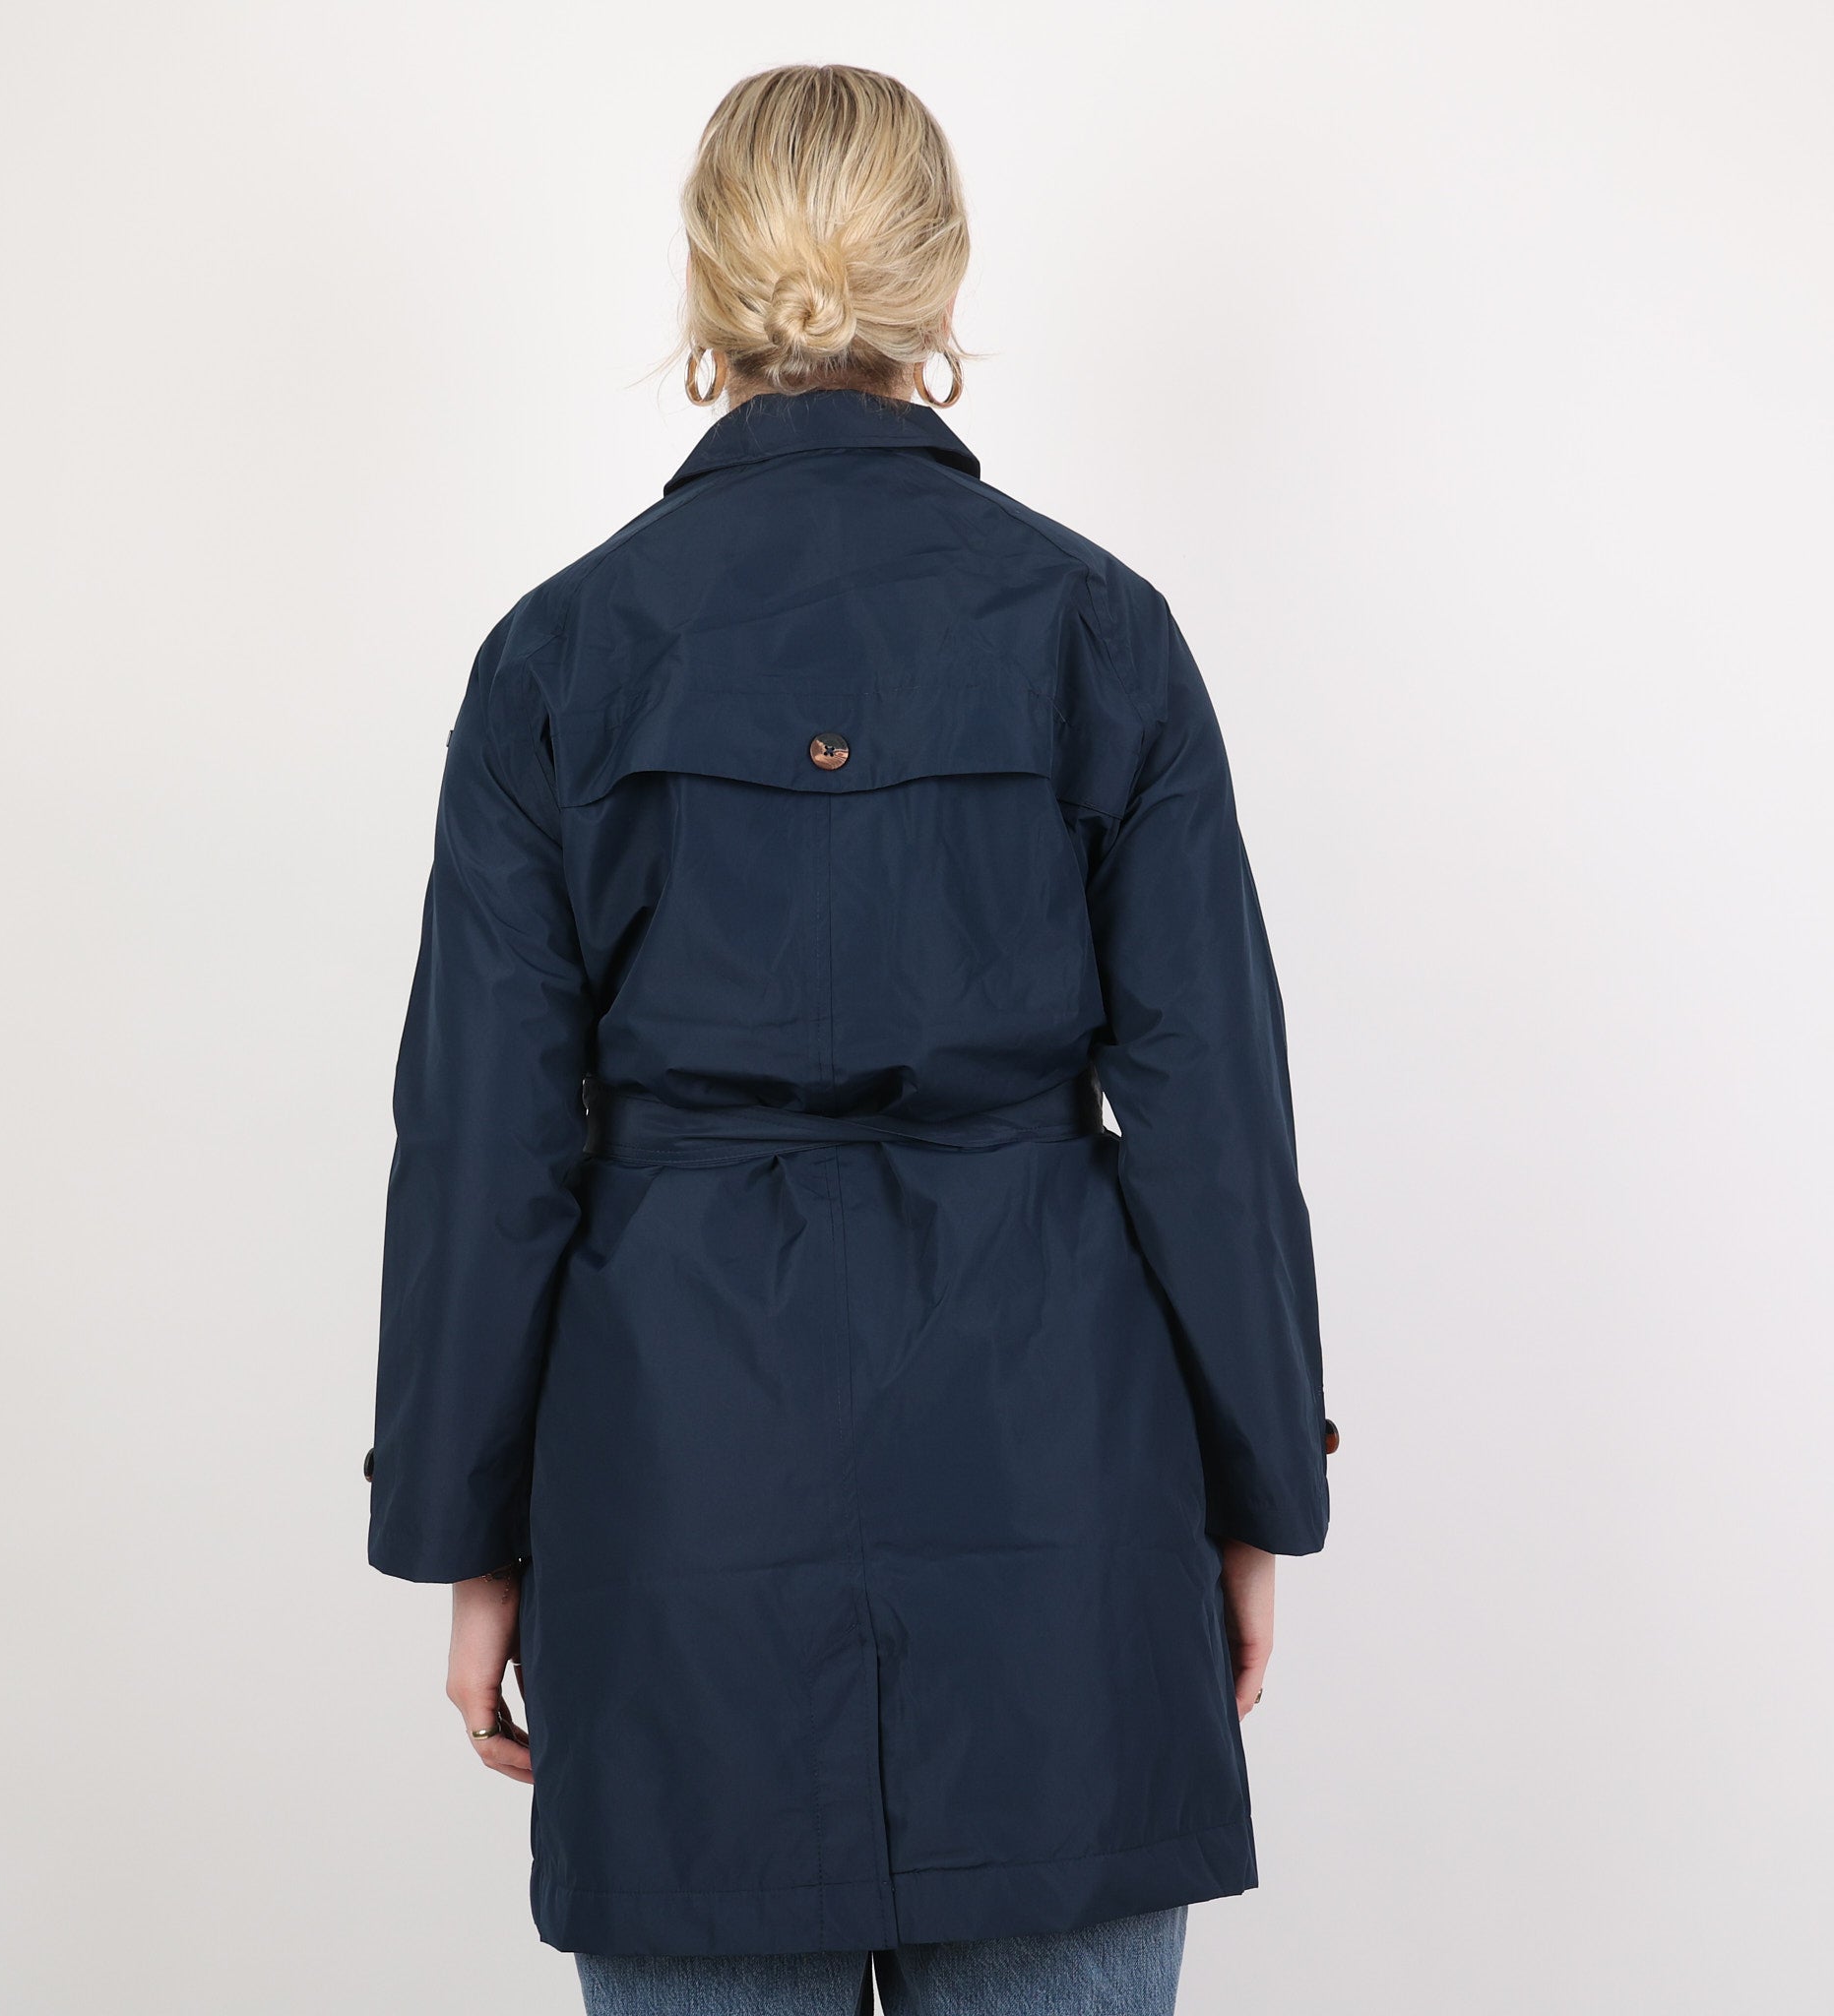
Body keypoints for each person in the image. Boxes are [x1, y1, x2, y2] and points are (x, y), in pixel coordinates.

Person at [365, 62, 1334, 2016]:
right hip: (1059, 1503)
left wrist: (469, 1544)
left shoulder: (559, 655)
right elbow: (1213, 1110)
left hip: (674, 1506)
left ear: (708, 287)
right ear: (939, 282)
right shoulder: (1098, 632)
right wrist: (1256, 1494)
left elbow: (482, 1146)